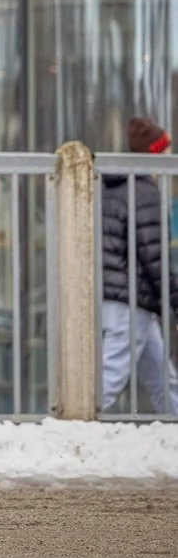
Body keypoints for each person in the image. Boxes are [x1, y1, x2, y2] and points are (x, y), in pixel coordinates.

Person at [99, 116, 178, 414]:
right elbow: (154, 256)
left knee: (162, 377)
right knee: (112, 374)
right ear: (153, 155)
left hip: (123, 297)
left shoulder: (116, 188)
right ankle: (74, 432)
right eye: (166, 153)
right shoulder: (144, 193)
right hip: (130, 299)